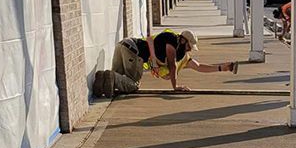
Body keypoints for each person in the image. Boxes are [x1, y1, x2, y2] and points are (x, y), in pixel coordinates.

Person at [94, 29, 238, 96]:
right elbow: (172, 64)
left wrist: (221, 68)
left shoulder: (183, 56)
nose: (189, 50)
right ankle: (110, 77)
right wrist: (175, 87)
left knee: (114, 81)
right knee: (132, 85)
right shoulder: (171, 40)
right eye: (188, 46)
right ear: (183, 41)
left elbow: (199, 67)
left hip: (124, 45)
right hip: (134, 51)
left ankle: (100, 81)